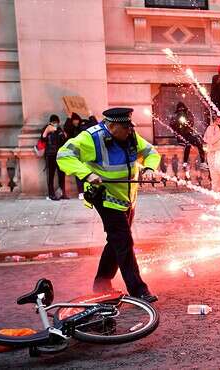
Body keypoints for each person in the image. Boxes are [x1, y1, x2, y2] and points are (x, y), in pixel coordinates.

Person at [57, 107, 160, 303]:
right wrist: (87, 174)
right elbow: (63, 155)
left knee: (116, 241)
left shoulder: (131, 136)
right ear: (111, 126)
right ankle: (139, 290)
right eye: (125, 127)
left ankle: (101, 283)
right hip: (105, 197)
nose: (130, 131)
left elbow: (150, 152)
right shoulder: (91, 138)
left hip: (127, 198)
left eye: (130, 126)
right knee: (124, 241)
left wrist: (148, 168)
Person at [171, 102, 207, 178]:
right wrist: (178, 126)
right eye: (180, 109)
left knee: (198, 142)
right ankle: (185, 162)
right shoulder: (175, 116)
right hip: (181, 136)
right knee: (188, 144)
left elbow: (191, 122)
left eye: (182, 109)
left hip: (188, 134)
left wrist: (187, 124)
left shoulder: (188, 114)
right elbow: (172, 125)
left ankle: (203, 161)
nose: (181, 110)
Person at [42, 114, 67, 200]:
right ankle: (51, 194)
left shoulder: (59, 129)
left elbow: (63, 140)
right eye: (53, 122)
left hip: (59, 155)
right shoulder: (47, 128)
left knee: (61, 175)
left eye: (56, 122)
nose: (55, 123)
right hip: (50, 155)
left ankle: (62, 193)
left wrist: (62, 133)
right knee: (51, 176)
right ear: (50, 122)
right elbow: (43, 139)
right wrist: (47, 131)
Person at [63, 113, 88, 199]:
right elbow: (66, 128)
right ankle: (81, 192)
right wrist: (68, 117)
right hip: (75, 151)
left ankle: (86, 190)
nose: (75, 122)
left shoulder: (83, 126)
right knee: (79, 172)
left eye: (76, 120)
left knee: (87, 171)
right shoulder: (71, 128)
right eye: (73, 120)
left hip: (84, 151)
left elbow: (93, 125)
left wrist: (91, 116)